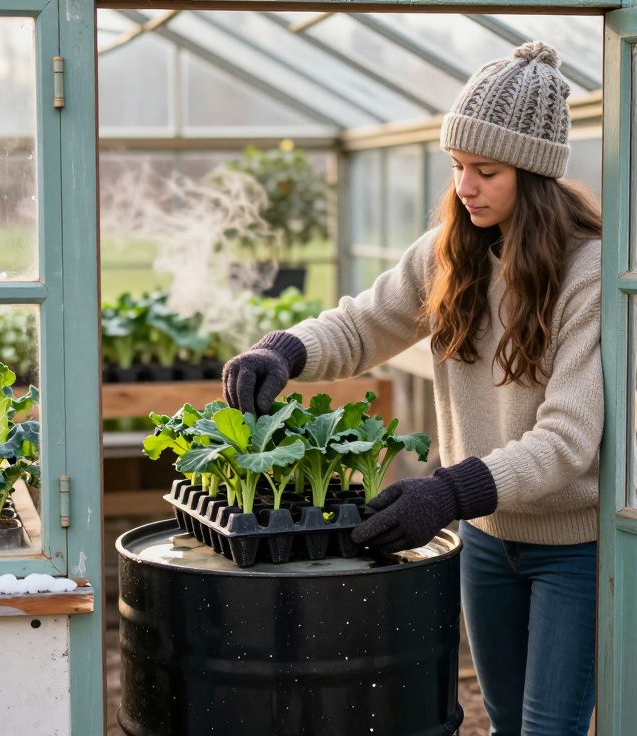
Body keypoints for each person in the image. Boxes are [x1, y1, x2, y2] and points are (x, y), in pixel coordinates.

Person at [221, 41, 603, 736]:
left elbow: (569, 439)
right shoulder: (446, 252)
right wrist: (284, 351)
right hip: (488, 540)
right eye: (458, 167)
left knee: (549, 729)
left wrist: (448, 491)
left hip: (574, 549)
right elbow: (363, 324)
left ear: (536, 173)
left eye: (486, 171)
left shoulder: (588, 272)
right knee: (506, 718)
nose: (466, 187)